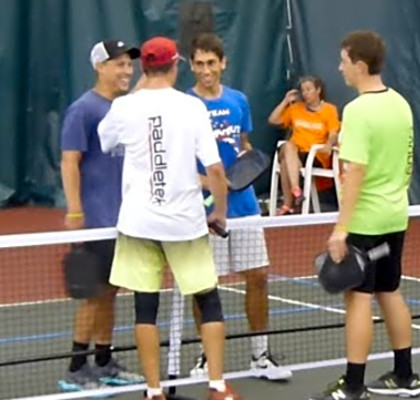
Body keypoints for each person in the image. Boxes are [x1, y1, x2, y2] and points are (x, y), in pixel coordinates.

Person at [97, 36, 243, 400]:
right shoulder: (191, 108)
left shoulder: (123, 108)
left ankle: (153, 391)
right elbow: (214, 168)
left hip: (138, 225)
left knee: (145, 308)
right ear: (177, 65)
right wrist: (219, 214)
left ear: (143, 68)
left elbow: (106, 143)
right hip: (186, 225)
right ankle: (217, 386)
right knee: (208, 300)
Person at [308, 31, 420, 400]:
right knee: (389, 291)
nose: (339, 68)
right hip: (395, 215)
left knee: (358, 298)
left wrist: (341, 229)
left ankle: (353, 385)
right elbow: (406, 160)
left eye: (343, 61)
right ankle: (406, 376)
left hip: (365, 221)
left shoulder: (358, 111)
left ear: (359, 65)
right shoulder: (401, 104)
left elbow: (353, 172)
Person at [184, 32, 292, 382]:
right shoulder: (184, 106)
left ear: (223, 63)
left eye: (211, 63)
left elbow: (242, 143)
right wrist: (215, 184)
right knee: (204, 285)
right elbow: (180, 165)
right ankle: (205, 357)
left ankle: (260, 356)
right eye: (199, 64)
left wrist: (245, 164)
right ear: (190, 66)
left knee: (258, 276)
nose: (205, 70)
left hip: (244, 208)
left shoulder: (238, 101)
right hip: (203, 209)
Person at [59, 39, 145, 392]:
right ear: (100, 67)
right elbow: (70, 161)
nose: (127, 71)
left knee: (111, 292)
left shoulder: (124, 107)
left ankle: (105, 360)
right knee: (95, 294)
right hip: (96, 220)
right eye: (119, 64)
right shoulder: (83, 109)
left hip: (124, 219)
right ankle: (77, 367)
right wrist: (75, 209)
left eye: (129, 64)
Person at [268, 76, 341, 215]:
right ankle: (296, 189)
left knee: (284, 162)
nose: (306, 93)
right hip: (295, 151)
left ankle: (288, 204)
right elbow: (273, 120)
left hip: (315, 155)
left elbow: (333, 133)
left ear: (318, 90)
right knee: (289, 147)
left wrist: (328, 145)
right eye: (303, 90)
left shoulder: (329, 110)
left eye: (309, 89)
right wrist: (285, 101)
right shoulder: (295, 109)